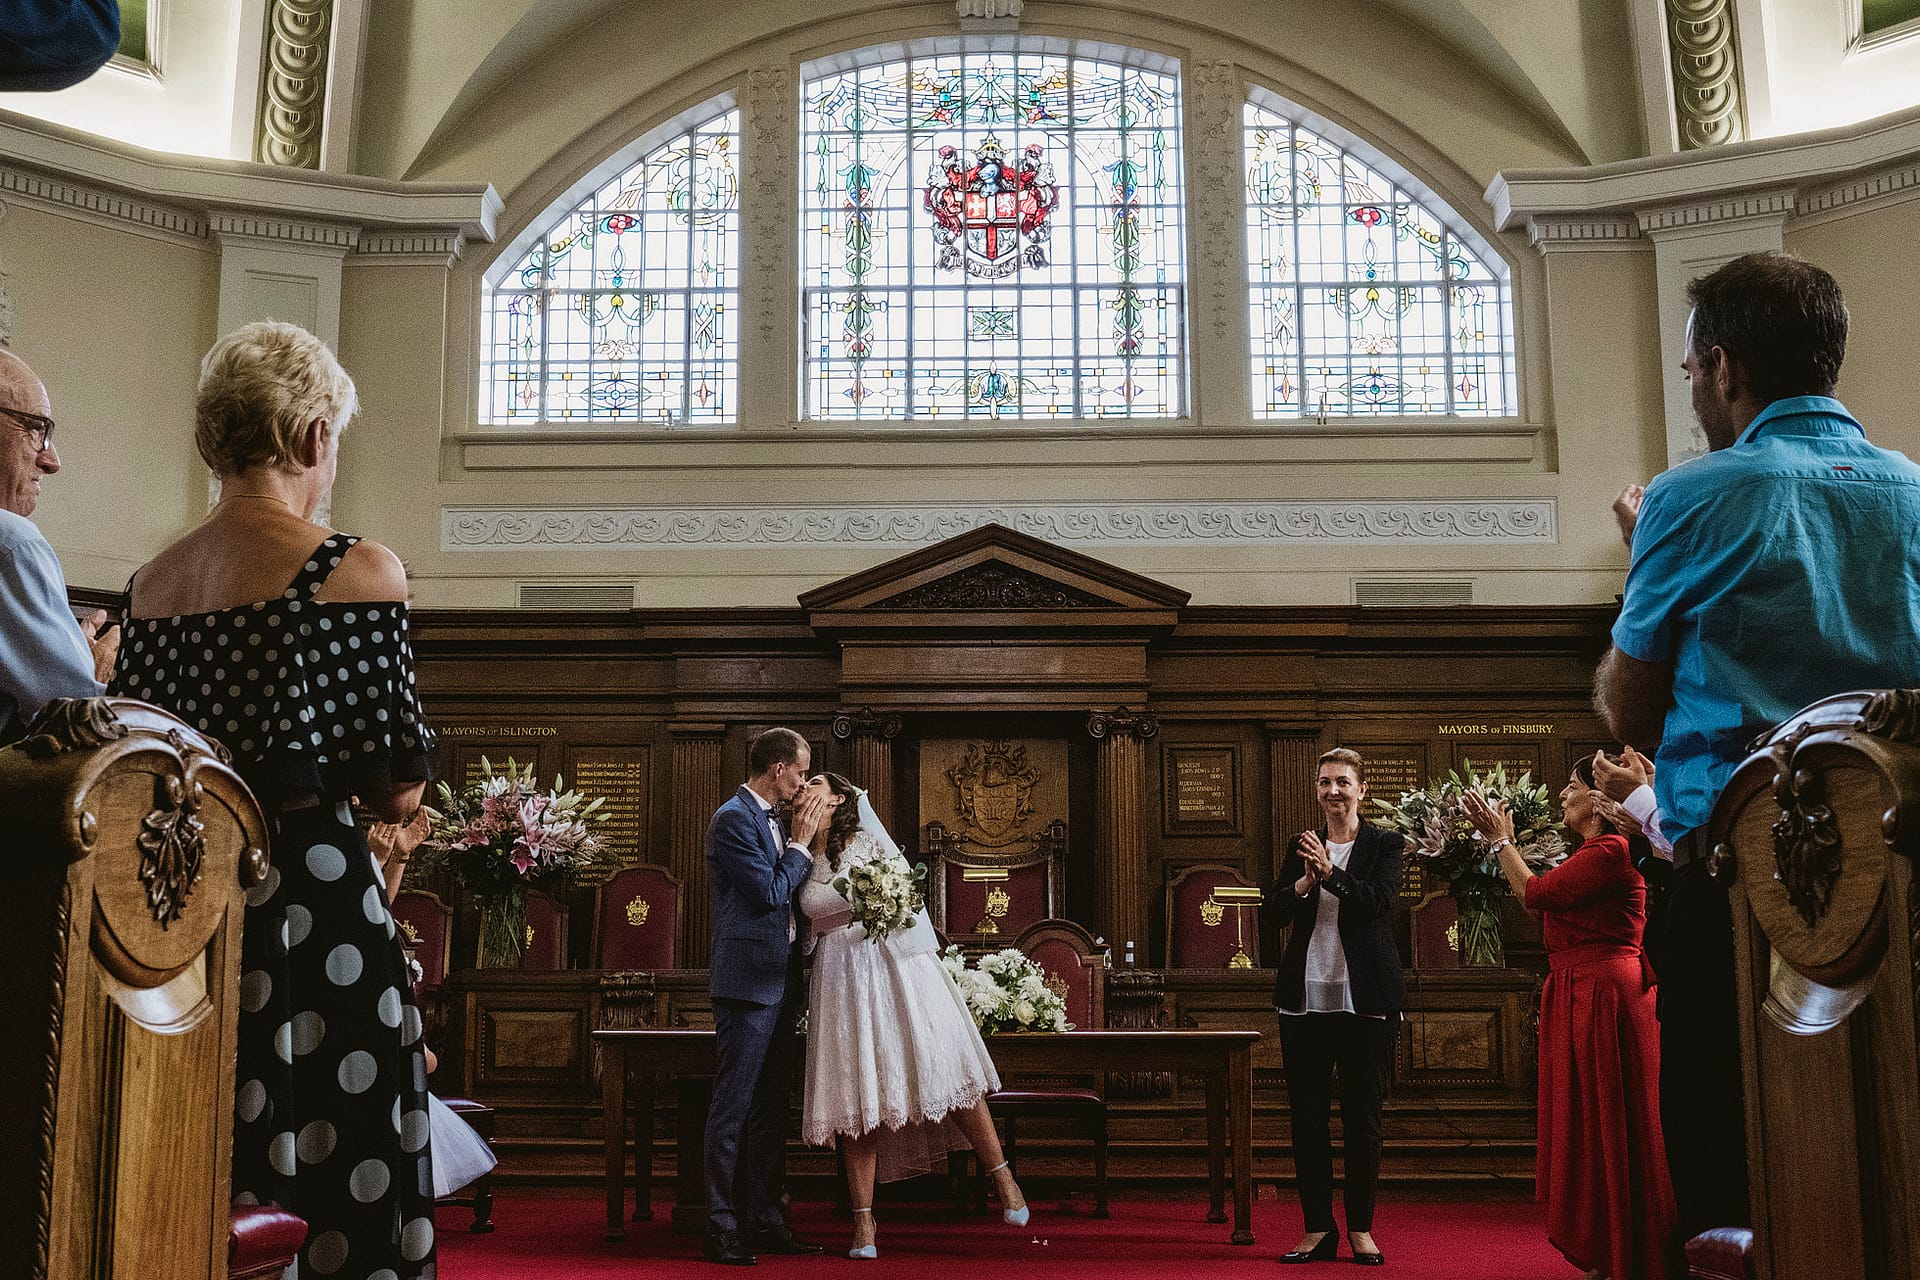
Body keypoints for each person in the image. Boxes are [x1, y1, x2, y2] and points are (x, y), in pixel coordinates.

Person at [1594, 251, 1920, 1247]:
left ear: (1724, 366)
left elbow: (1629, 711)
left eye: (1691, 370)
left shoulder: (1693, 498)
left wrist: (1645, 545)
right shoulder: (1913, 488)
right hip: (1900, 871)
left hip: (1736, 880)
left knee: (1729, 1161)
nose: (1694, 388)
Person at [110, 321, 438, 1280]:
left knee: (205, 1162)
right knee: (350, 1165)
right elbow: (397, 782)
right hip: (311, 902)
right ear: (308, 436)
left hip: (183, 912)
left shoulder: (151, 585)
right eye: (333, 437)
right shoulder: (352, 569)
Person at [796, 771, 1029, 1259]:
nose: (803, 789)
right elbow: (806, 916)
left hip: (894, 967)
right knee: (855, 1094)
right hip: (839, 977)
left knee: (940, 1067)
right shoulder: (797, 853)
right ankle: (864, 1226)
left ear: (838, 799)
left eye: (813, 783)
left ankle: (1002, 1175)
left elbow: (904, 900)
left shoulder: (866, 843)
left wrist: (881, 898)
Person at [1465, 760, 1676, 1280]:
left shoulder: (1610, 850)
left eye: (1574, 788)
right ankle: (1612, 1248)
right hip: (1585, 988)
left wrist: (1500, 841)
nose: (1562, 795)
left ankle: (1627, 1251)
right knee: (1595, 1121)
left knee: (1610, 1119)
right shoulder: (1596, 850)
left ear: (1602, 805)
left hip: (1604, 992)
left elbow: (1536, 895)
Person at [1259, 747, 1403, 1266]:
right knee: (1308, 1119)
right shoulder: (1301, 845)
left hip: (1364, 998)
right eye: (1324, 783)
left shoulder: (1385, 844)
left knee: (1362, 1118)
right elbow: (1271, 914)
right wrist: (1303, 880)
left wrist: (1332, 875)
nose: (1333, 792)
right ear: (1316, 791)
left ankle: (1361, 1228)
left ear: (1361, 790)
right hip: (1305, 998)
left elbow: (1379, 902)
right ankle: (1318, 1228)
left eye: (1343, 782)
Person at [703, 727, 830, 1266]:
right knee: (732, 1110)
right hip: (748, 985)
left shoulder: (774, 819)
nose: (802, 783)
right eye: (800, 772)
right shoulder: (733, 818)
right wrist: (801, 845)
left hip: (782, 984)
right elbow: (770, 892)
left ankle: (766, 1218)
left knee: (772, 1111)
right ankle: (721, 1226)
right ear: (777, 769)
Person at [0, 349, 118, 742]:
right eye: (36, 428)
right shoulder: (12, 545)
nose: (52, 460)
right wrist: (93, 667)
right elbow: (79, 723)